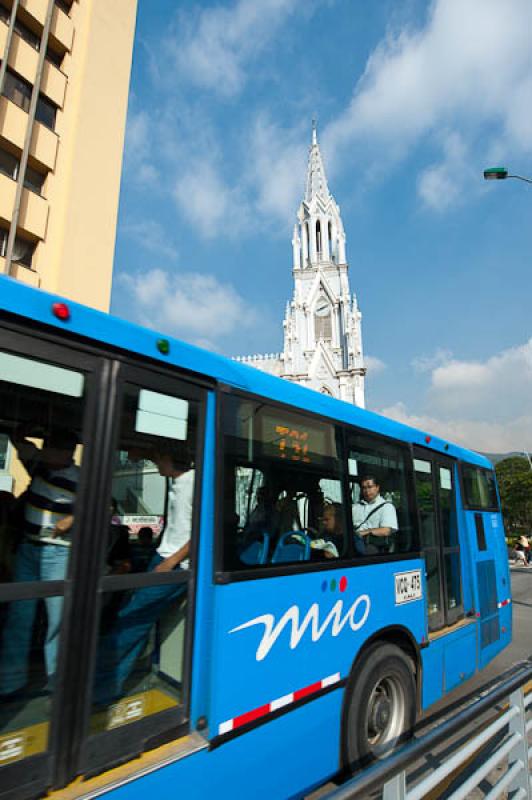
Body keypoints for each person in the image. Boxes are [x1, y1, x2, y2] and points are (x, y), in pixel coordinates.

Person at [94, 441, 194, 706]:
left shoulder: (193, 484)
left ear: (168, 457)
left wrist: (170, 562)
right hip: (162, 559)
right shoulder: (180, 481)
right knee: (136, 619)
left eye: (158, 459)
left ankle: (100, 689)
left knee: (130, 620)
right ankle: (108, 685)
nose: (155, 464)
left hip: (173, 566)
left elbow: (201, 532)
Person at [0, 426, 79, 696]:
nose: (45, 454)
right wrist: (27, 425)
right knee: (19, 616)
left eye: (51, 450)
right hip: (28, 550)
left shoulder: (81, 479)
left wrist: (71, 519)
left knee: (57, 621)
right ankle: (11, 682)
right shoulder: (39, 464)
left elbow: (101, 508)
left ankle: (57, 682)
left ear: (66, 453)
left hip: (58, 554)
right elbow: (17, 442)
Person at [352, 475, 398, 555]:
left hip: (373, 545)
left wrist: (364, 532)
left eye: (370, 487)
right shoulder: (355, 507)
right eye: (364, 488)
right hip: (353, 542)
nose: (366, 491)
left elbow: (386, 530)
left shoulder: (386, 506)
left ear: (377, 487)